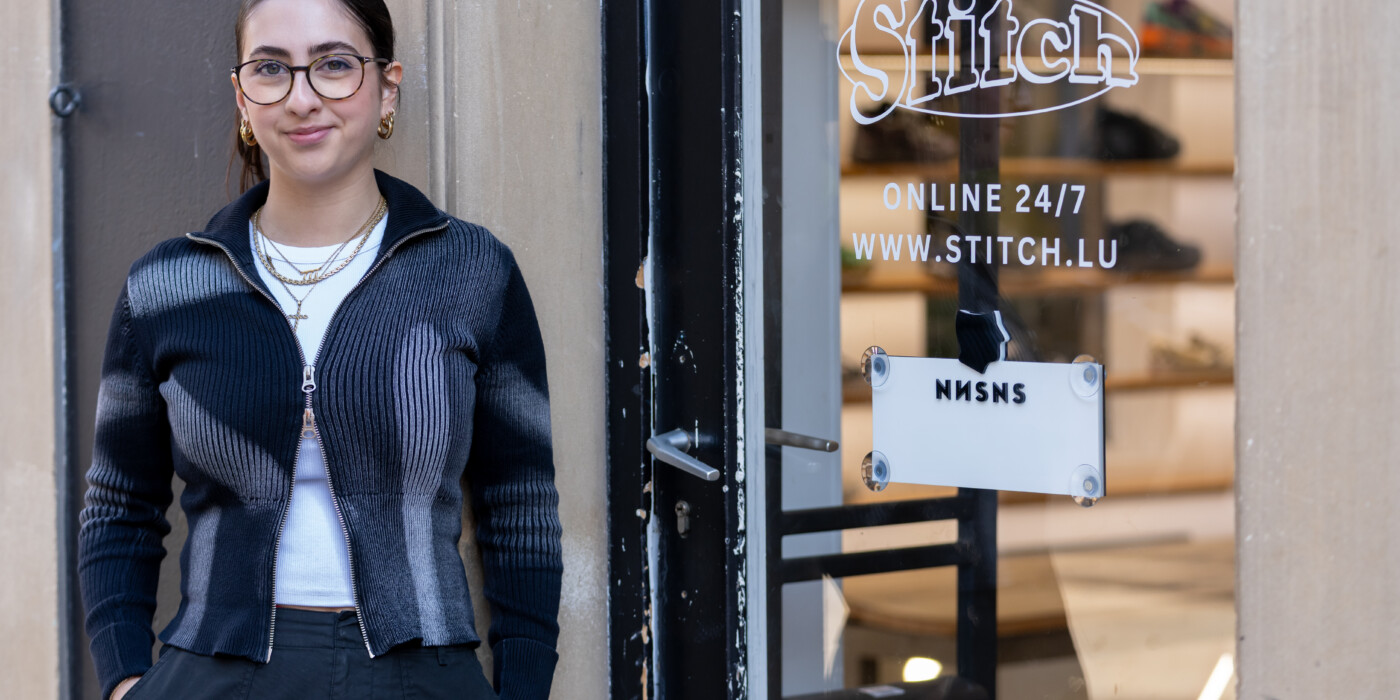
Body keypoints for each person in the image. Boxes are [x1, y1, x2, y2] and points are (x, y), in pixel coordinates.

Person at [76, 0, 563, 698]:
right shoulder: (168, 284)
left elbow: (519, 504)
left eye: (334, 65)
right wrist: (124, 677)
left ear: (386, 85)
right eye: (272, 69)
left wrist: (521, 689)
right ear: (243, 96)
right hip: (214, 671)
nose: (303, 98)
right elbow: (120, 502)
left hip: (419, 671)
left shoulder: (471, 271)